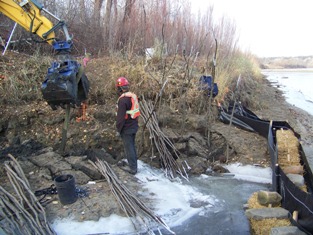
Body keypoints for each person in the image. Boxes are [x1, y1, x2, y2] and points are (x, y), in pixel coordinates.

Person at [116, 77, 140, 175]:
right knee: (132, 146)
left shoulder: (122, 101)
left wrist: (118, 129)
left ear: (120, 88)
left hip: (126, 128)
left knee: (129, 147)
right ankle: (134, 165)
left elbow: (120, 118)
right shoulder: (132, 96)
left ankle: (133, 168)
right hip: (134, 125)